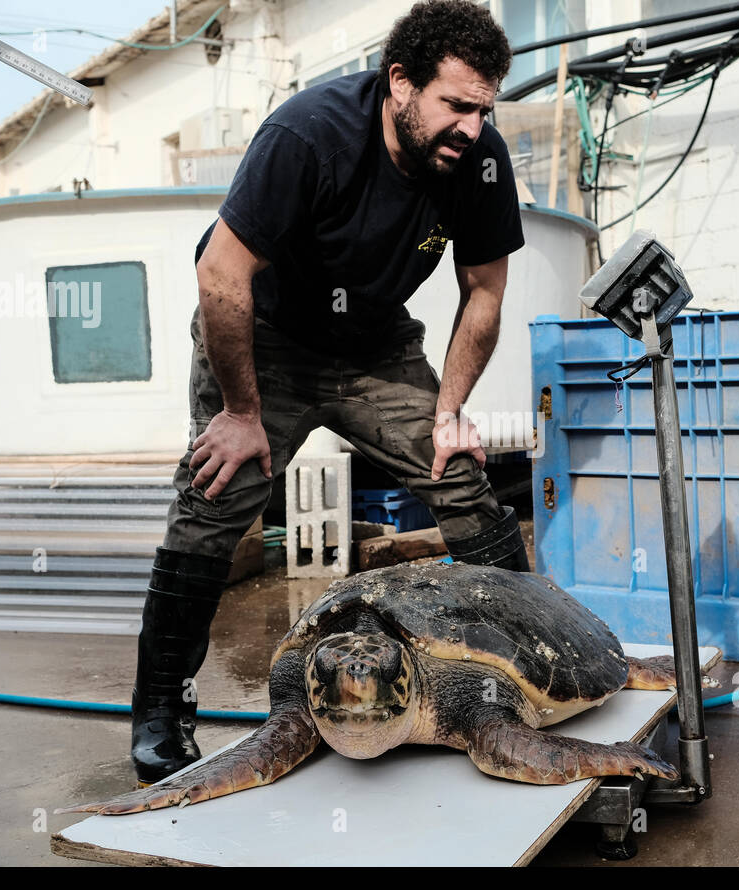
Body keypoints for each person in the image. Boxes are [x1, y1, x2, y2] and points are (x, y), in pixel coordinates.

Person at [131, 0, 530, 785]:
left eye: (484, 110)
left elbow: (483, 291)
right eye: (455, 106)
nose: (472, 129)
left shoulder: (479, 163)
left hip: (376, 346)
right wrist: (243, 416)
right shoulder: (308, 135)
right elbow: (221, 273)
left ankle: (522, 669)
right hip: (265, 342)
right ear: (400, 84)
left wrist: (449, 412)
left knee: (463, 483)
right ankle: (160, 709)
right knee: (214, 506)